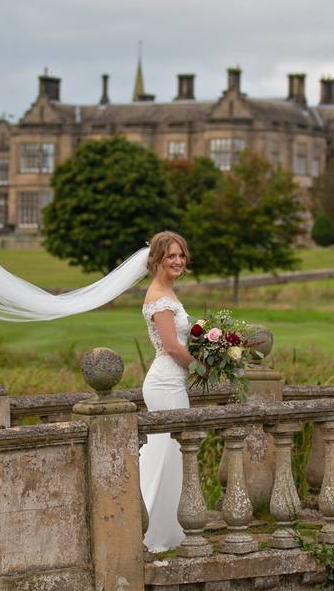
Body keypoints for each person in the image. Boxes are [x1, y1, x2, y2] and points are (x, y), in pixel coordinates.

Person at [140, 231, 194, 552]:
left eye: (181, 255)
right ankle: (151, 533)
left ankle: (168, 529)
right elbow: (173, 346)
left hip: (174, 382)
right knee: (163, 456)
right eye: (171, 256)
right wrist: (202, 366)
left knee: (171, 456)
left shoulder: (169, 293)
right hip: (165, 383)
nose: (177, 261)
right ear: (157, 259)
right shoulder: (159, 297)